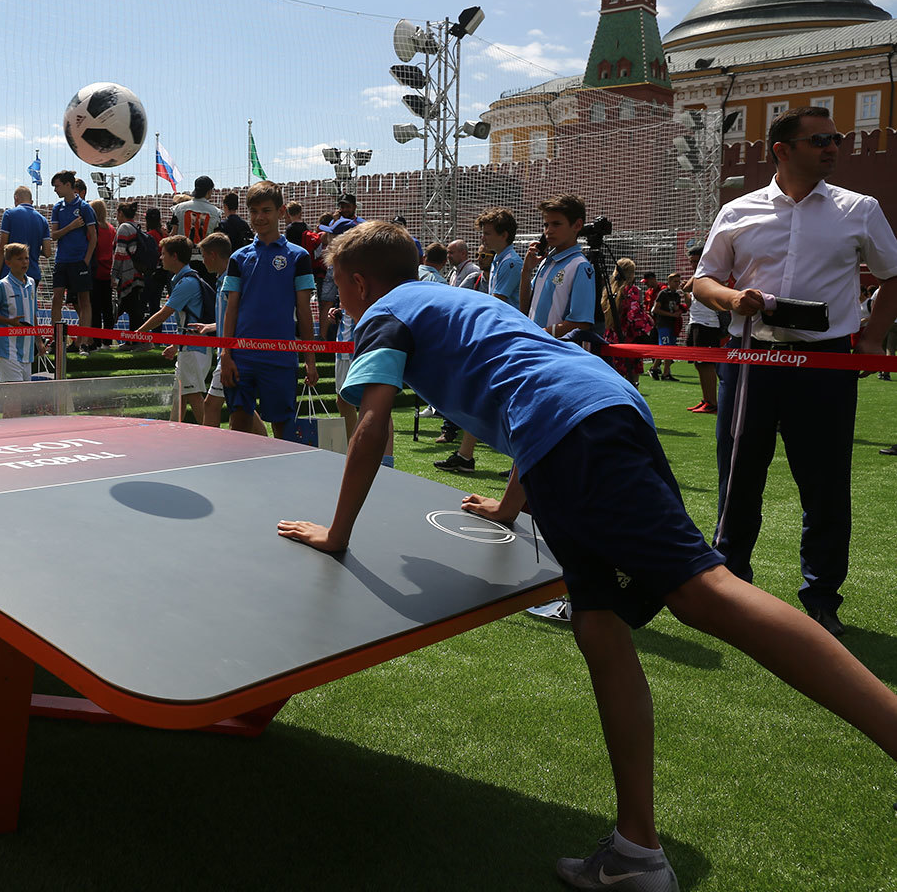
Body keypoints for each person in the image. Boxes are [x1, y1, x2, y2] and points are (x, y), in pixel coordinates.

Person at [277, 219, 897, 892]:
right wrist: (510, 508)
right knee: (598, 624)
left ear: (359, 281)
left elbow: (373, 421)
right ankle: (636, 854)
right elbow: (520, 379)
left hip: (570, 429)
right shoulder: (456, 300)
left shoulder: (387, 312)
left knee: (702, 592)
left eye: (339, 287)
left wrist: (336, 534)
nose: (341, 301)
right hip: (594, 411)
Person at [692, 106, 897, 636]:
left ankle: (823, 597)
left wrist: (871, 340)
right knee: (738, 481)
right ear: (782, 150)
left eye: (838, 139)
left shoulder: (860, 208)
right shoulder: (738, 210)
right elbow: (703, 279)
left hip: (824, 365)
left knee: (826, 484)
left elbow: (893, 275)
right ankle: (731, 585)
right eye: (820, 140)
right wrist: (733, 297)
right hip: (753, 360)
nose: (834, 147)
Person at [218, 180, 318, 437]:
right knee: (238, 429)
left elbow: (305, 312)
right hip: (242, 358)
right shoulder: (238, 258)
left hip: (280, 358)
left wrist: (310, 360)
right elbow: (231, 310)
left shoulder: (299, 257)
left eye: (266, 210)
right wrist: (226, 355)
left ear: (281, 211)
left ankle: (282, 478)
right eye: (253, 211)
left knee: (283, 430)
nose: (259, 217)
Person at [435, 209, 525, 474]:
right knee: (483, 396)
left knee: (501, 400)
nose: (482, 240)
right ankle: (466, 454)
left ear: (504, 235)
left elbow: (497, 303)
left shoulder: (510, 263)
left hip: (506, 339)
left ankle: (520, 462)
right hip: (498, 337)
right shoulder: (499, 260)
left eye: (487, 234)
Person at [137, 234, 213, 423]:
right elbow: (185, 320)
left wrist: (139, 332)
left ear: (175, 256)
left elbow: (165, 313)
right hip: (189, 347)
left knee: (194, 394)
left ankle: (211, 435)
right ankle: (173, 431)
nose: (161, 258)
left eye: (163, 254)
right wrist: (176, 346)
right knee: (180, 395)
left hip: (194, 349)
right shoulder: (185, 280)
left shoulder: (186, 282)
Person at [520, 194, 595, 341]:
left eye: (556, 224)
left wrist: (540, 334)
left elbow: (581, 323)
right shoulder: (545, 262)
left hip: (556, 354)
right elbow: (525, 310)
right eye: (546, 225)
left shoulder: (580, 266)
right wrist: (526, 271)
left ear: (577, 225)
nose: (549, 231)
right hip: (536, 346)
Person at [48, 171, 96, 354]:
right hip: (62, 260)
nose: (55, 190)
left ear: (68, 185)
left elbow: (93, 237)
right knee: (56, 298)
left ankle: (84, 342)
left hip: (79, 262)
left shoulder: (84, 207)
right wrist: (71, 227)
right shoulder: (57, 207)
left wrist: (86, 260)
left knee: (84, 301)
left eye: (57, 186)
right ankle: (57, 340)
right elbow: (53, 235)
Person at [190, 232, 234, 429]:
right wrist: (211, 327)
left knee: (211, 404)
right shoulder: (221, 280)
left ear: (214, 254)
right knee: (240, 408)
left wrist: (227, 352)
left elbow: (237, 318)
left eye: (204, 255)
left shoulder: (231, 281)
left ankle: (208, 450)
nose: (202, 260)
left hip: (230, 353)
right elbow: (228, 317)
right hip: (226, 352)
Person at [0, 243, 38, 404]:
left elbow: (33, 313)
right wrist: (9, 322)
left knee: (22, 401)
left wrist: (39, 341)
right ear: (8, 263)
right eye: (19, 259)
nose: (24, 262)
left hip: (27, 351)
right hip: (9, 350)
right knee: (13, 400)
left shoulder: (32, 283)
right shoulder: (2, 286)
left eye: (26, 258)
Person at [682, 245, 723, 413]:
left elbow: (687, 287)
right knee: (699, 364)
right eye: (691, 262)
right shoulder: (698, 275)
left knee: (706, 364)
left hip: (707, 324)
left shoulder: (707, 274)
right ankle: (707, 399)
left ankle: (712, 402)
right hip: (696, 322)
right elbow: (690, 298)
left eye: (696, 261)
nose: (693, 265)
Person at [601, 257, 654, 386]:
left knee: (614, 378)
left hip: (611, 338)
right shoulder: (632, 290)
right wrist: (649, 322)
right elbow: (634, 316)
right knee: (632, 378)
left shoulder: (608, 290)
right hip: (629, 339)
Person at [0, 186, 51, 287]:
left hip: (11, 274)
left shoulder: (9, 214)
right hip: (33, 274)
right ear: (32, 201)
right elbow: (48, 253)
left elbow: (2, 248)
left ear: (16, 198)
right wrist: (34, 247)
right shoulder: (43, 220)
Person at [111, 201, 149, 335]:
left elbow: (120, 253)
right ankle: (134, 339)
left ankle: (135, 339)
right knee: (133, 308)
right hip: (138, 273)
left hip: (128, 274)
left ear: (121, 213)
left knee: (131, 309)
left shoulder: (124, 228)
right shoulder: (136, 227)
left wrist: (113, 275)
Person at [649, 272, 685, 382]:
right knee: (664, 348)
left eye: (678, 282)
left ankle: (665, 373)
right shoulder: (663, 293)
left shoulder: (677, 295)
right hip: (663, 324)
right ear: (669, 282)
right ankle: (655, 368)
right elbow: (655, 309)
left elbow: (676, 309)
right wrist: (671, 314)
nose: (677, 284)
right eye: (675, 281)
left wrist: (677, 310)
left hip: (672, 325)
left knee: (670, 349)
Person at [90, 197, 117, 334]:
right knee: (107, 307)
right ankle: (108, 337)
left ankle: (96, 338)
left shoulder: (93, 230)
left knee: (95, 307)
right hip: (108, 271)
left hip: (95, 271)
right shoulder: (111, 229)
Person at [170, 175, 221, 243]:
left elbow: (173, 233)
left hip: (182, 251)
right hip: (205, 252)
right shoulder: (216, 212)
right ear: (209, 191)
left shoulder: (178, 209)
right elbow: (216, 238)